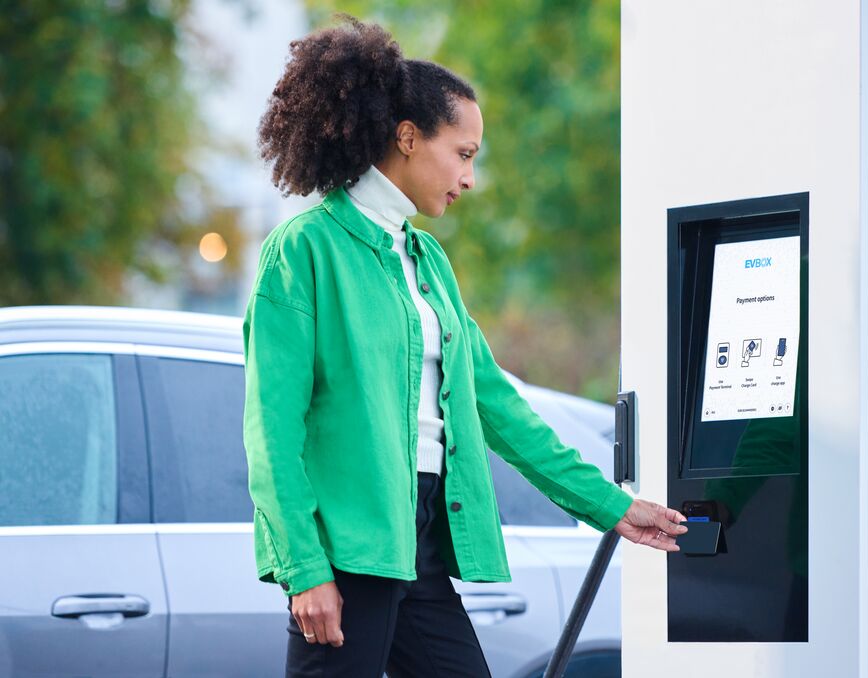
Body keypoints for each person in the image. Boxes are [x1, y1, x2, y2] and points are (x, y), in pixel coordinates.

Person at [242, 14, 688, 678]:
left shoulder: (423, 260)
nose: (469, 177)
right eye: (464, 153)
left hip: (415, 537)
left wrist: (612, 507)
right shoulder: (305, 249)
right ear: (407, 137)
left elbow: (496, 405)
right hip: (346, 545)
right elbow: (271, 431)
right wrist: (304, 569)